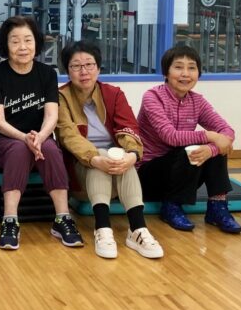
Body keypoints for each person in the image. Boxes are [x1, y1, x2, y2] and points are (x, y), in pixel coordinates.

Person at [56, 41, 163, 259]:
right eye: (76, 66)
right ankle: (103, 228)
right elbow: (68, 136)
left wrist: (132, 155)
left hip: (117, 173)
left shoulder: (114, 94)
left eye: (89, 64)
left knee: (122, 156)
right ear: (67, 71)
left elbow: (129, 128)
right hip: (80, 173)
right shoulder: (61, 97)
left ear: (98, 68)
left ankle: (138, 230)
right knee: (102, 154)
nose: (84, 71)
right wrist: (95, 158)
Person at [0, 16, 82, 251]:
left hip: (39, 138)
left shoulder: (47, 74)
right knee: (19, 149)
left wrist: (40, 137)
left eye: (28, 40)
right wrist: (25, 138)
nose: (22, 47)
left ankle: (62, 218)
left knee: (51, 149)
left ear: (36, 43)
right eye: (15, 41)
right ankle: (10, 220)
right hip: (2, 140)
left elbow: (51, 116)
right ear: (5, 45)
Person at [137, 45, 241, 235]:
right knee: (195, 146)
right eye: (178, 67)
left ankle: (217, 207)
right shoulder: (152, 97)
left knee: (215, 147)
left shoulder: (197, 101)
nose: (185, 74)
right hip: (148, 175)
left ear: (198, 74)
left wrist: (212, 148)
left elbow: (227, 132)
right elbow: (170, 136)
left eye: (191, 68)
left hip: (183, 174)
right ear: (166, 72)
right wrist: (210, 136)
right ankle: (171, 206)